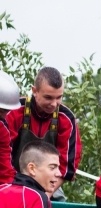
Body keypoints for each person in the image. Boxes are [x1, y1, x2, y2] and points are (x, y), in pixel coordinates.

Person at [5, 67, 81, 198]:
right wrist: (15, 191)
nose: (53, 103)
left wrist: (45, 195)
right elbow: (4, 154)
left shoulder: (66, 119)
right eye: (48, 97)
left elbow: (66, 166)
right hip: (13, 178)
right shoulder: (15, 111)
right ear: (34, 91)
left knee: (58, 202)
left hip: (50, 183)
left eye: (59, 97)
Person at [0, 71, 21, 184]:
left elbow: (5, 171)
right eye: (0, 111)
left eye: (6, 111)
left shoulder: (2, 130)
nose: (4, 116)